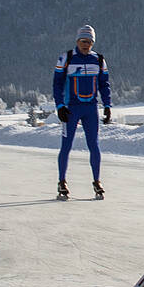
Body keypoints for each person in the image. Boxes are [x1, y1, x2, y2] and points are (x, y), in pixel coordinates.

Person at [52, 24, 112, 200]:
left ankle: (97, 181)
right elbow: (57, 84)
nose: (86, 45)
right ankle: (62, 181)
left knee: (94, 145)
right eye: (83, 41)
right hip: (71, 108)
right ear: (77, 41)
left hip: (91, 108)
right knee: (66, 145)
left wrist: (107, 106)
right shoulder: (67, 58)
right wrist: (60, 106)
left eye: (90, 42)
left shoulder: (99, 60)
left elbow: (104, 84)